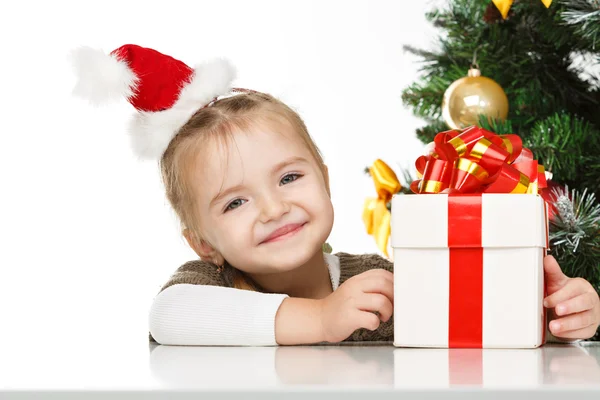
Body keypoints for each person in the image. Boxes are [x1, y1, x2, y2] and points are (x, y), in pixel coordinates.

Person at [70, 44, 600, 346]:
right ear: (202, 242)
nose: (274, 208)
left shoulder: (378, 282)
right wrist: (322, 320)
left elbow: (464, 328)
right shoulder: (210, 282)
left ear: (324, 180)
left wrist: (551, 320)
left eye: (289, 178)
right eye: (235, 202)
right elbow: (170, 317)